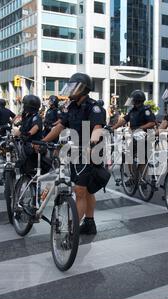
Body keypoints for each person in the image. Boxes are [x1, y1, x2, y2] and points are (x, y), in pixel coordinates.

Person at [40, 73, 106, 235]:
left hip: (90, 152)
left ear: (83, 89)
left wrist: (91, 145)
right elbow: (60, 126)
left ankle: (71, 229)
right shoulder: (71, 106)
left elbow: (97, 128)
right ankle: (89, 223)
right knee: (88, 190)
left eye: (73, 87)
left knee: (80, 190)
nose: (70, 90)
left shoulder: (93, 107)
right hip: (76, 151)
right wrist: (44, 140)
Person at [111, 90, 157, 170]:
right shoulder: (133, 110)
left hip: (144, 138)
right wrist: (113, 128)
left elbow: (152, 123)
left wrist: (140, 128)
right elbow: (124, 120)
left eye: (133, 99)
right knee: (129, 157)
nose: (131, 100)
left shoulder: (145, 110)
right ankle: (133, 177)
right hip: (134, 137)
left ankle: (142, 179)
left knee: (142, 159)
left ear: (137, 100)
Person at [16, 95, 45, 174]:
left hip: (34, 146)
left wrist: (28, 134)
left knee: (31, 169)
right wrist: (14, 136)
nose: (23, 107)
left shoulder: (36, 117)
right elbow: (21, 129)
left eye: (24, 105)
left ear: (29, 106)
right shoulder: (27, 116)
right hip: (26, 145)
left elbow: (36, 127)